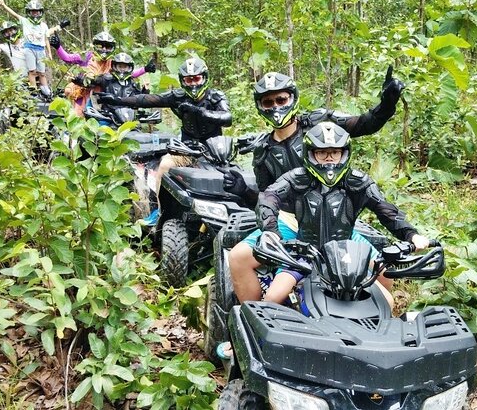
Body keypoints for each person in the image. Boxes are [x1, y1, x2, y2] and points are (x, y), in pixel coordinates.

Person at [225, 69, 404, 304]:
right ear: (260, 106)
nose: (276, 107)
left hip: (335, 213)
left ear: (292, 97)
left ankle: (379, 324)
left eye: (281, 99)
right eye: (268, 102)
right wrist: (244, 192)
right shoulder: (263, 151)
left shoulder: (321, 122)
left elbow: (363, 124)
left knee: (382, 272)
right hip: (288, 222)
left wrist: (387, 104)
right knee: (238, 257)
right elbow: (266, 199)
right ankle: (253, 320)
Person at [256, 121, 430, 305]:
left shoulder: (358, 181)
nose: (329, 158)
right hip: (304, 253)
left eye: (335, 152)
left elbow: (385, 209)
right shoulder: (296, 178)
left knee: (387, 301)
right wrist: (271, 231)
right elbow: (268, 197)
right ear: (311, 153)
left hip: (347, 253)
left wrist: (411, 234)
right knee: (272, 298)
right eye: (322, 152)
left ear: (344, 153)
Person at [100, 56, 232, 225]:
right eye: (188, 80)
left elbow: (227, 117)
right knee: (164, 165)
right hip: (187, 149)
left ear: (204, 78)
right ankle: (159, 211)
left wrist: (199, 112)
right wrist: (117, 100)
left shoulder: (215, 96)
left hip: (215, 151)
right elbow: (148, 99)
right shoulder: (178, 96)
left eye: (196, 78)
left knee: (231, 179)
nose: (193, 84)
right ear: (182, 81)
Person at [49, 32, 156, 116]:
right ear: (95, 46)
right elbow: (67, 58)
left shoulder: (112, 63)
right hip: (83, 92)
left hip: (102, 95)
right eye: (101, 46)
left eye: (108, 46)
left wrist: (145, 69)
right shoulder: (86, 57)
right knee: (79, 116)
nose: (104, 50)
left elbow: (127, 73)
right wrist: (58, 47)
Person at [0, 0, 58, 97]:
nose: (35, 14)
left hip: (40, 49)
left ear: (40, 12)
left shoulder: (43, 25)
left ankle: (47, 91)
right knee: (32, 71)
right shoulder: (25, 21)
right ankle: (33, 91)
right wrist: (4, 6)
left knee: (42, 72)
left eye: (36, 12)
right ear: (29, 13)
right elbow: (15, 14)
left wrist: (50, 53)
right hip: (29, 48)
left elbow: (46, 38)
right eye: (32, 12)